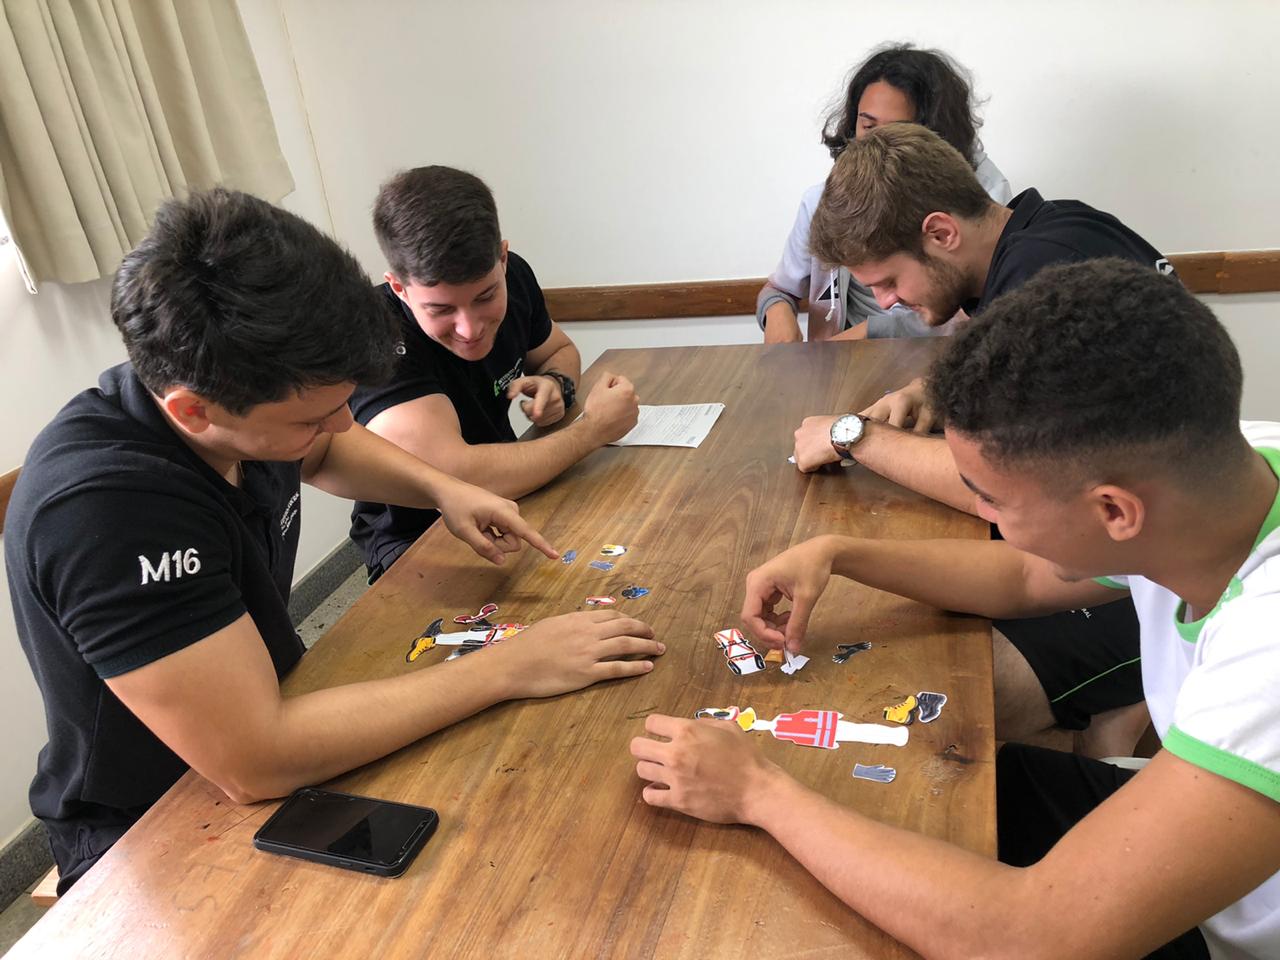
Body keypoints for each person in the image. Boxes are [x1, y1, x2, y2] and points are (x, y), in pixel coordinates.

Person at [4, 189, 663, 893]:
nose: (344, 424)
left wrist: (443, 488)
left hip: (283, 713)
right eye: (313, 416)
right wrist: (511, 667)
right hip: (158, 830)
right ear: (193, 412)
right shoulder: (108, 510)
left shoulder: (230, 398)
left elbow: (322, 452)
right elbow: (254, 762)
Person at [633, 260, 1280, 959]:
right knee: (944, 790)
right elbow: (1026, 576)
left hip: (1229, 938)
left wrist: (758, 794)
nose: (982, 515)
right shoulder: (1220, 471)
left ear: (1115, 512)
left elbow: (1032, 939)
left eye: (992, 500)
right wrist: (840, 552)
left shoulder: (1265, 650)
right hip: (1222, 854)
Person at [793, 123, 1175, 756]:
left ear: (941, 232)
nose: (885, 303)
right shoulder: (1049, 231)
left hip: (1148, 579)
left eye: (887, 281)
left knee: (949, 697)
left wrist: (853, 435)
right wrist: (931, 388)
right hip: (1110, 550)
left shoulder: (1040, 278)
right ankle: (1099, 725)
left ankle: (1106, 723)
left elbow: (1000, 490)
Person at [349, 166, 639, 582]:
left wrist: (556, 383)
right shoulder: (376, 332)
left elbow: (558, 350)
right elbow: (459, 474)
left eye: (485, 297)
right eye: (441, 309)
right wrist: (593, 430)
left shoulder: (514, 274)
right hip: (420, 541)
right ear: (399, 287)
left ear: (502, 258)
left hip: (516, 496)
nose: (470, 329)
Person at [758, 43, 1012, 345]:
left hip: (936, 357)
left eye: (899, 130)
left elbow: (972, 310)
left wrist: (866, 334)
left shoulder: (979, 198)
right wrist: (778, 313)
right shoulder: (826, 201)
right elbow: (780, 288)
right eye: (868, 126)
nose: (878, 143)